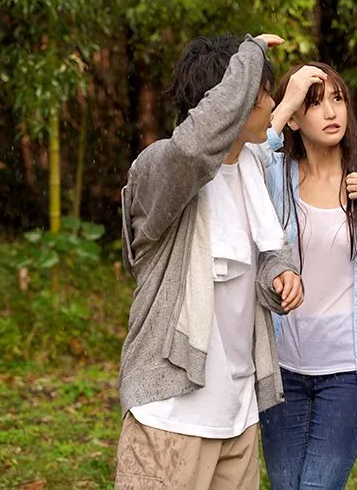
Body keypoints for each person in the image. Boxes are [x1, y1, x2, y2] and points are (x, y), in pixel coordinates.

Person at [114, 33, 304, 490]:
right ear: (231, 100)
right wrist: (250, 54)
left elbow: (262, 250)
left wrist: (278, 273)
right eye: (262, 92)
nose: (269, 102)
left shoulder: (252, 168)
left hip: (236, 417)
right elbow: (193, 147)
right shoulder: (161, 169)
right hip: (170, 416)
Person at [256, 62, 357, 489]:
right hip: (281, 370)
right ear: (293, 118)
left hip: (348, 373)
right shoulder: (272, 178)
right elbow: (238, 159)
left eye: (337, 99)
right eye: (313, 104)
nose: (331, 113)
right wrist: (286, 101)